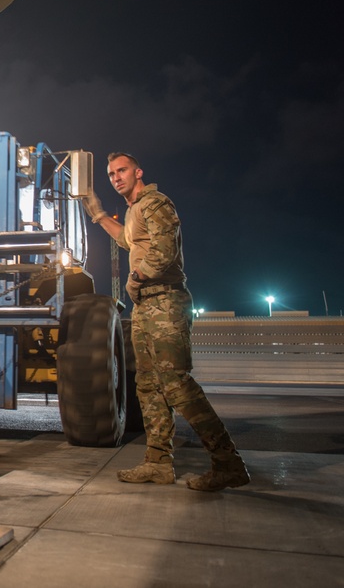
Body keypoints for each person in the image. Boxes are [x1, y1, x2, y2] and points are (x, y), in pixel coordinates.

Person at [83, 152, 249, 492]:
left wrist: (137, 276)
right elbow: (127, 240)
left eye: (122, 170)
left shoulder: (156, 202)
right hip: (146, 306)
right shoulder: (132, 211)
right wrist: (99, 214)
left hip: (165, 300)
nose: (116, 177)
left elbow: (164, 250)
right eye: (111, 173)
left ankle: (228, 463)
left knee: (176, 383)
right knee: (148, 385)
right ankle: (158, 464)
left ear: (138, 171)